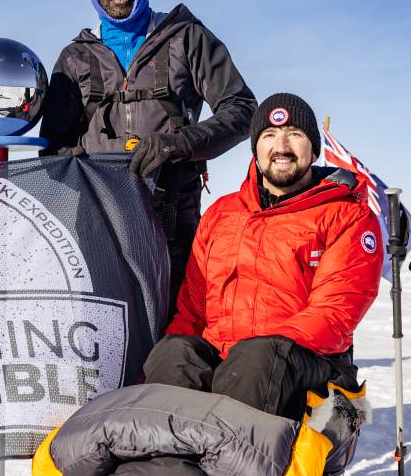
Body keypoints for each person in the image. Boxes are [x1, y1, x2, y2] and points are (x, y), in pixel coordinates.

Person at [40, 0, 257, 313]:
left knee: (171, 320)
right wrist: (71, 165)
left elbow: (241, 110)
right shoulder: (74, 57)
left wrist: (179, 144)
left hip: (171, 214)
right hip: (98, 219)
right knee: (106, 325)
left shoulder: (188, 39)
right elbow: (52, 149)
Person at [147, 91, 382, 419]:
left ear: (313, 150)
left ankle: (231, 464)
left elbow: (334, 314)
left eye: (295, 135)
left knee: (259, 357)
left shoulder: (348, 216)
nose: (281, 146)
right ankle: (161, 461)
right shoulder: (221, 213)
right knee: (173, 352)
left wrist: (242, 360)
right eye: (269, 135)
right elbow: (192, 312)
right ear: (256, 149)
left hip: (304, 366)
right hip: (230, 364)